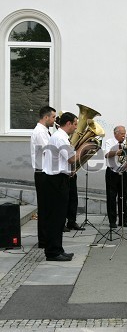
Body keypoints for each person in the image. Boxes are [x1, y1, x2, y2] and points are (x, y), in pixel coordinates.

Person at [41, 112, 79, 261]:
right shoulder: (60, 137)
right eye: (75, 124)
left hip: (58, 179)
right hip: (55, 181)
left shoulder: (60, 137)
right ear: (68, 123)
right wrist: (85, 148)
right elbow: (71, 158)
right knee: (56, 218)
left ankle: (58, 249)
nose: (76, 127)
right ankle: (52, 252)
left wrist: (70, 171)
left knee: (59, 217)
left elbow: (62, 161)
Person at [31, 106, 56, 249]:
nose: (54, 120)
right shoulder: (40, 132)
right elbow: (49, 151)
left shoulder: (45, 131)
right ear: (46, 117)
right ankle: (44, 240)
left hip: (45, 172)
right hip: (42, 173)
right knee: (45, 208)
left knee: (47, 207)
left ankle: (46, 238)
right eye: (53, 117)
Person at [104, 126, 127, 229]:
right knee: (111, 197)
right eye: (122, 133)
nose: (124, 135)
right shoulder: (109, 142)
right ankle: (112, 221)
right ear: (116, 133)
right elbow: (106, 154)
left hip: (124, 172)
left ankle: (123, 221)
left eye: (125, 133)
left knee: (123, 197)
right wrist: (117, 152)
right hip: (112, 172)